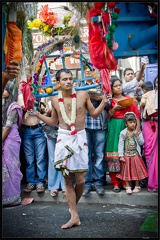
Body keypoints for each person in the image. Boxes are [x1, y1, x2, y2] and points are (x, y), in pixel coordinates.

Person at [28, 68, 109, 229]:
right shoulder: (54, 99)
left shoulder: (82, 95)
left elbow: (93, 114)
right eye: (64, 79)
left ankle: (73, 209)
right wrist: (37, 115)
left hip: (80, 137)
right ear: (58, 82)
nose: (68, 81)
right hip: (64, 137)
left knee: (81, 180)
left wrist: (104, 102)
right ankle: (74, 215)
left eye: (70, 78)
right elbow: (53, 122)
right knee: (67, 180)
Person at [104, 76, 141, 193]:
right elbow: (108, 116)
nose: (118, 87)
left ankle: (126, 182)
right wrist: (114, 108)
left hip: (127, 128)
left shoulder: (129, 100)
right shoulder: (110, 101)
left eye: (120, 85)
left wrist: (137, 129)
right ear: (111, 89)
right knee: (114, 153)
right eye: (115, 86)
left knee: (126, 154)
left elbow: (137, 116)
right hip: (114, 128)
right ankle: (115, 183)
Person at [82, 69, 111, 197]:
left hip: (99, 125)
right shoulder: (80, 86)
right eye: (86, 71)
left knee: (99, 154)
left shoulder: (102, 85)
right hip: (85, 125)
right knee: (86, 155)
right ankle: (87, 183)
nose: (88, 72)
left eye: (91, 71)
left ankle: (98, 182)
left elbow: (109, 103)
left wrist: (100, 98)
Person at [2, 80, 23, 207]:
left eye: (4, 89)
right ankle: (7, 197)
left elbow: (8, 127)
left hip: (11, 140)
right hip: (5, 137)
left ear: (11, 91)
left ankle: (15, 197)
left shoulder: (14, 106)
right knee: (5, 168)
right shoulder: (4, 105)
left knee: (12, 167)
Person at [116, 112, 148, 195]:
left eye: (134, 122)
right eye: (130, 122)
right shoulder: (123, 133)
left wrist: (137, 136)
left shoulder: (137, 132)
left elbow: (141, 143)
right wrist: (121, 155)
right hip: (126, 155)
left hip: (135, 155)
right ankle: (128, 186)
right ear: (126, 123)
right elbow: (120, 144)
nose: (133, 124)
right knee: (126, 171)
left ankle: (137, 186)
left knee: (136, 171)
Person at [21, 99, 47, 193]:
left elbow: (46, 112)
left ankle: (41, 181)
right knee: (29, 159)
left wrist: (40, 111)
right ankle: (31, 181)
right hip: (26, 130)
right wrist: (23, 110)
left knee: (40, 158)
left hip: (38, 129)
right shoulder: (21, 96)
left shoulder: (40, 96)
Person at [42, 99, 65, 197]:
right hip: (50, 130)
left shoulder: (68, 96)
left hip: (64, 130)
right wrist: (47, 114)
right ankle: (53, 185)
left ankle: (65, 185)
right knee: (52, 158)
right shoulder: (46, 98)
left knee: (64, 158)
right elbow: (42, 118)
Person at [140, 80, 158, 193]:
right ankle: (153, 183)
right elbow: (143, 111)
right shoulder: (147, 96)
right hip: (149, 126)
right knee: (150, 153)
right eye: (157, 82)